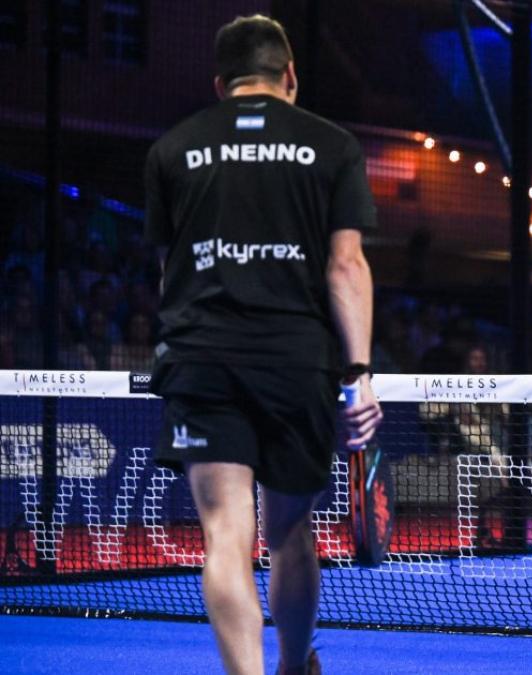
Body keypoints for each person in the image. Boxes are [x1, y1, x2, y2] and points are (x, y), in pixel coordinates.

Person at [144, 15, 382, 675]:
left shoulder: (173, 148)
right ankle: (290, 666)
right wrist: (359, 371)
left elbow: (170, 271)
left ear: (221, 84)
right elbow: (346, 266)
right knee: (288, 532)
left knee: (225, 533)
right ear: (291, 77)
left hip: (203, 358)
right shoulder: (330, 146)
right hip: (295, 361)